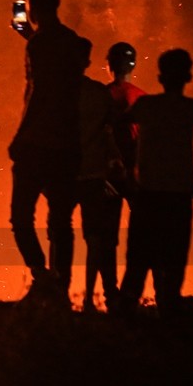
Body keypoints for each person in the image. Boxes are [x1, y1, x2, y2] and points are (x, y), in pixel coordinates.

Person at [8, 0, 88, 305]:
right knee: (60, 220)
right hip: (68, 143)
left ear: (33, 5)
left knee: (21, 216)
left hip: (38, 141)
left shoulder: (38, 45)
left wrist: (20, 134)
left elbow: (39, 91)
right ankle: (61, 288)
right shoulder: (73, 42)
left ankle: (42, 277)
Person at [119, 49, 193, 316]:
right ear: (188, 76)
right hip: (178, 192)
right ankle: (168, 300)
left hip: (148, 192)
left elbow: (119, 125)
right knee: (174, 252)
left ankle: (127, 305)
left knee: (139, 253)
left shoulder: (146, 106)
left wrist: (129, 168)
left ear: (160, 77)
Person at [75, 40, 123, 313]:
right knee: (95, 238)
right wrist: (116, 159)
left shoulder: (61, 92)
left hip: (69, 172)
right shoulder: (98, 93)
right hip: (94, 173)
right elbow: (108, 132)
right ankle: (90, 298)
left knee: (60, 232)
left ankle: (57, 292)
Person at [105, 42, 146, 219]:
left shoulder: (101, 95)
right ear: (133, 65)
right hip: (136, 169)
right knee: (142, 226)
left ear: (109, 65)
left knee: (106, 232)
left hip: (107, 170)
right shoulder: (142, 97)